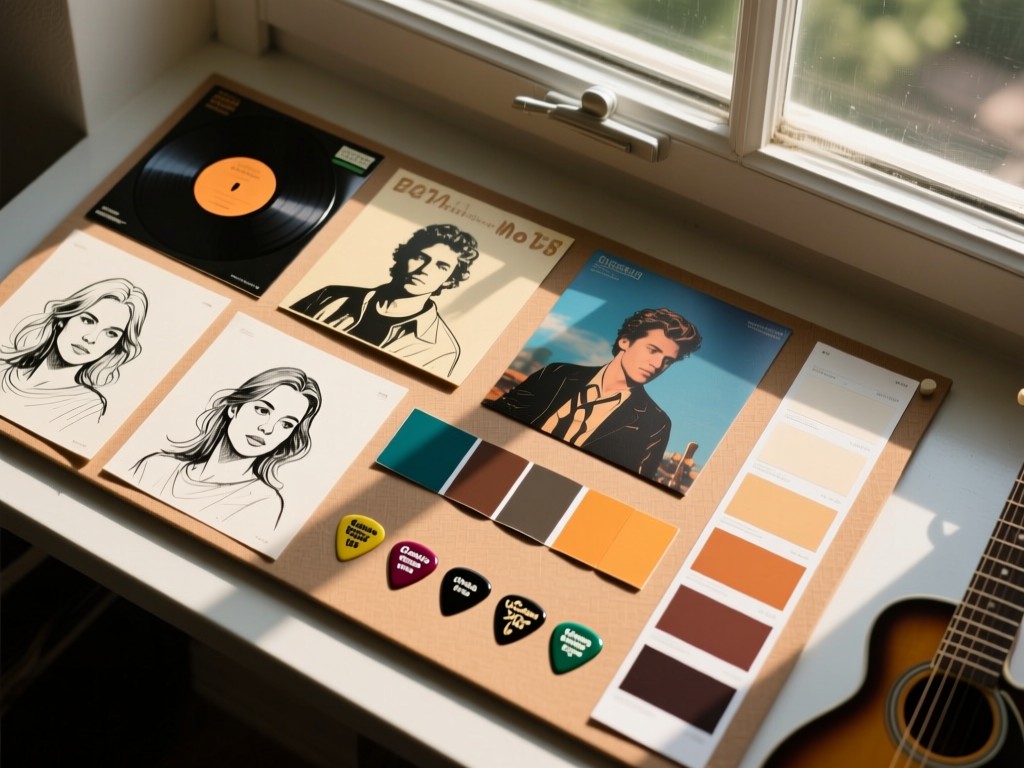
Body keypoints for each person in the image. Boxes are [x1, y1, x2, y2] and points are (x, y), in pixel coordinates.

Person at [487, 307, 702, 480]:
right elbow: (493, 419)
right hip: (495, 467)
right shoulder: (557, 373)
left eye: (668, 361)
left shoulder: (656, 423)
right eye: (653, 350)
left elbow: (631, 486)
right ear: (625, 341)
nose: (657, 364)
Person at [130, 367, 321, 535]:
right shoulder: (155, 466)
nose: (268, 428)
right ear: (234, 408)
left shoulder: (263, 503)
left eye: (286, 424)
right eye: (262, 410)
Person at [289, 223, 479, 376]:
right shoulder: (331, 296)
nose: (425, 270)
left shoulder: (442, 349)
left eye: (441, 266)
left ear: (450, 280)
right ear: (403, 256)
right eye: (420, 257)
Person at [0, 278, 148, 430]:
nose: (90, 338)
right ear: (64, 318)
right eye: (87, 320)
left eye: (111, 333)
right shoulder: (3, 368)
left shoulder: (87, 407)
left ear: (116, 347)